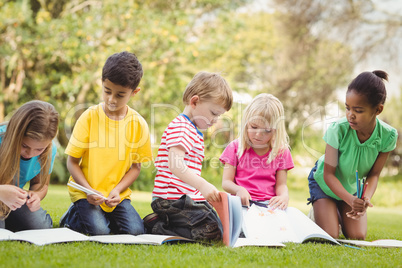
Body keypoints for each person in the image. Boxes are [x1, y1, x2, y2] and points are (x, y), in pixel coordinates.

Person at [59, 51, 152, 236]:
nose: (111, 99)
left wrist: (117, 191)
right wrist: (88, 190)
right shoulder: (89, 117)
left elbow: (135, 168)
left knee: (135, 231)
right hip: (86, 192)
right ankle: (71, 217)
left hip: (116, 196)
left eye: (120, 95)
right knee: (99, 231)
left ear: (134, 92)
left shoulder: (138, 124)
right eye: (107, 91)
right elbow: (72, 162)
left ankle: (102, 216)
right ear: (101, 83)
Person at [307, 70, 398, 239]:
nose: (351, 115)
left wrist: (365, 199)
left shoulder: (388, 136)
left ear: (378, 110)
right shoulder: (338, 130)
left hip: (351, 189)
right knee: (329, 235)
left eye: (358, 110)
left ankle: (336, 212)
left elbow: (374, 174)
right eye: (348, 108)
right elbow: (328, 175)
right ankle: (322, 210)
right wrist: (350, 200)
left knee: (357, 236)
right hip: (325, 183)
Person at [144, 71, 233, 241]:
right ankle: (156, 226)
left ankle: (168, 223)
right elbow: (175, 165)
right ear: (195, 101)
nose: (215, 120)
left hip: (185, 199)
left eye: (219, 115)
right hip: (171, 200)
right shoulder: (182, 127)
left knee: (219, 226)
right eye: (214, 113)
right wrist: (203, 185)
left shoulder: (192, 130)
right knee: (212, 232)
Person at [220, 93, 294, 210]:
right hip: (241, 205)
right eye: (254, 127)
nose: (258, 135)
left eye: (267, 130)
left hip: (269, 207)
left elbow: (281, 185)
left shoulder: (282, 152)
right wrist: (239, 189)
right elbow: (226, 182)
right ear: (246, 122)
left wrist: (284, 196)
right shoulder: (234, 147)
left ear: (276, 130)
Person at [0, 100, 59, 231]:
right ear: (14, 134)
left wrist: (36, 195)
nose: (30, 154)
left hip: (12, 203)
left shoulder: (49, 150)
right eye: (24, 146)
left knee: (40, 226)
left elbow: (41, 184)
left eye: (39, 149)